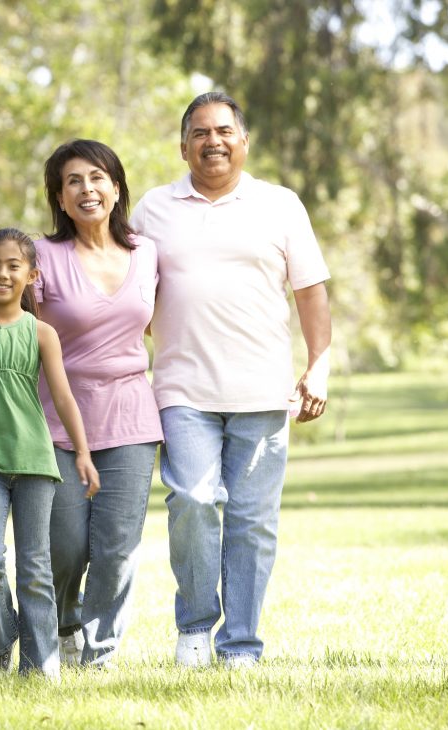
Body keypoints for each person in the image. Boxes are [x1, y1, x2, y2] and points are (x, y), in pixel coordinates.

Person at [131, 92, 331, 668]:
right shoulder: (152, 209)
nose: (212, 141)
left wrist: (318, 365)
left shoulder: (280, 204)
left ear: (243, 141)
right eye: (200, 132)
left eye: (224, 131)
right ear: (183, 145)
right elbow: (125, 289)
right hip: (182, 388)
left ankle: (239, 642)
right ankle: (195, 625)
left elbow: (311, 294)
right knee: (192, 500)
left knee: (252, 522)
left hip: (264, 392)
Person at [0, 228, 100, 678]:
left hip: (35, 460)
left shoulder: (42, 333)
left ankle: (40, 663)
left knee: (35, 566)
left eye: (14, 266)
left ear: (31, 275)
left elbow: (65, 398)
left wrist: (83, 454)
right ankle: (2, 638)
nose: (1, 273)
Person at [35, 140, 163, 667]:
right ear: (59, 199)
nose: (87, 189)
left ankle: (99, 652)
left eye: (97, 178)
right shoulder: (43, 256)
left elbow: (163, 321)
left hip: (131, 415)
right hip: (58, 418)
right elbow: (14, 319)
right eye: (73, 182)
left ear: (116, 187)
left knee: (116, 548)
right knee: (65, 546)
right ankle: (65, 624)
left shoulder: (147, 253)